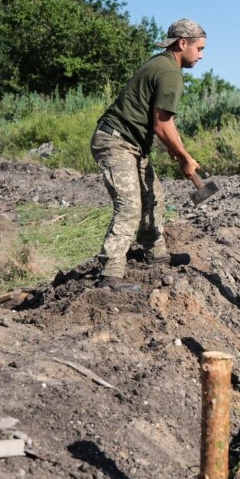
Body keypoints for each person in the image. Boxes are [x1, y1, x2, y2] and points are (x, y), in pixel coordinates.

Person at [90, 18, 206, 292]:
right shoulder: (170, 73)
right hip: (115, 142)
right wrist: (186, 157)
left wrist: (178, 153)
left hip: (133, 144)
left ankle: (156, 255)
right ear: (182, 43)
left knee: (153, 198)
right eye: (199, 49)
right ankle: (110, 275)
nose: (201, 55)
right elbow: (161, 125)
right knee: (130, 206)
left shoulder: (163, 64)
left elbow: (165, 122)